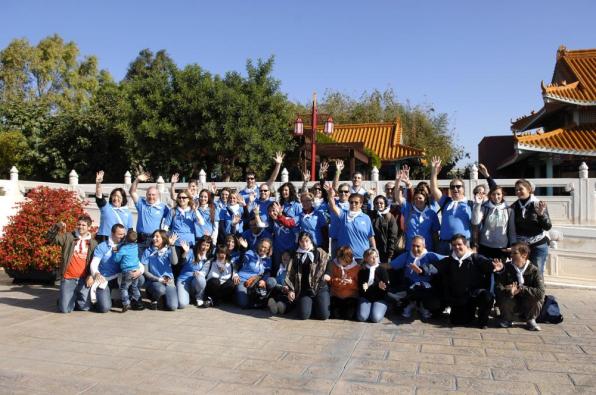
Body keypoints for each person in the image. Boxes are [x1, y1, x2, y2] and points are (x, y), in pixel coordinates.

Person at [438, 234, 503, 328]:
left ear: (466, 245)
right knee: (457, 321)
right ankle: (470, 312)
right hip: (460, 297)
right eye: (454, 245)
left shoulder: (475, 258)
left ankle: (482, 321)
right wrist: (422, 270)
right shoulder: (450, 260)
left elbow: (488, 264)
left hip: (475, 294)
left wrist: (498, 267)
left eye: (459, 244)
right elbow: (436, 266)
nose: (457, 247)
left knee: (487, 297)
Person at [46, 215, 98, 313]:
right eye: (79, 224)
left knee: (85, 307)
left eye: (83, 225)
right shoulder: (69, 237)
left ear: (89, 227)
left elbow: (96, 261)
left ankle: (71, 297)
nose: (80, 227)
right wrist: (57, 226)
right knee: (65, 310)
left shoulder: (93, 243)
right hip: (68, 277)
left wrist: (91, 275)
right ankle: (65, 299)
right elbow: (50, 239)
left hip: (84, 279)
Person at [90, 224, 143, 313]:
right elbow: (94, 263)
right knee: (105, 308)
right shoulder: (102, 246)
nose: (123, 237)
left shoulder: (126, 245)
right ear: (112, 233)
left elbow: (136, 261)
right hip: (106, 278)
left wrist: (140, 270)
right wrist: (96, 273)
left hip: (121, 276)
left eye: (124, 234)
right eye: (120, 234)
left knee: (140, 278)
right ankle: (107, 298)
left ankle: (132, 300)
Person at [390, 236, 445, 319]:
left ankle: (422, 305)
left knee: (433, 302)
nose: (415, 249)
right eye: (413, 246)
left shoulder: (430, 255)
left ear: (424, 246)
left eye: (418, 246)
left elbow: (447, 259)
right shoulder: (407, 255)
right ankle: (411, 303)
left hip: (426, 287)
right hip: (409, 285)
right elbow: (391, 265)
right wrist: (373, 265)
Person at [495, 242, 545, 331]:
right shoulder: (506, 267)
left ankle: (530, 319)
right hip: (512, 301)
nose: (511, 255)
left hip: (527, 302)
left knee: (538, 298)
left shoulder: (534, 270)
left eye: (515, 253)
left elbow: (540, 292)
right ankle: (507, 318)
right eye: (511, 253)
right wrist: (509, 291)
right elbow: (498, 287)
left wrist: (521, 289)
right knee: (504, 295)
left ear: (524, 255)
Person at [430, 157, 473, 255]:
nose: (455, 189)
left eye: (458, 186)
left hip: (463, 244)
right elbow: (433, 189)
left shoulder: (471, 204)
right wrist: (434, 172)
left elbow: (476, 227)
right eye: (453, 187)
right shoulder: (446, 201)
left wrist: (474, 246)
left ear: (463, 189)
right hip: (444, 244)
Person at [285, 232, 331, 320]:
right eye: (302, 241)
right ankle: (307, 305)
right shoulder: (295, 255)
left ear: (311, 241)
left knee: (324, 316)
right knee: (303, 316)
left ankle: (317, 304)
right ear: (298, 242)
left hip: (319, 287)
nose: (304, 244)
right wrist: (291, 290)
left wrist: (327, 274)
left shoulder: (319, 252)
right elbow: (290, 273)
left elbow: (328, 262)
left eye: (307, 241)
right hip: (304, 289)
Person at [326, 185, 376, 262]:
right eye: (351, 202)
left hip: (362, 256)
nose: (353, 204)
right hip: (346, 257)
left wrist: (374, 250)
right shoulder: (343, 214)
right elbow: (333, 206)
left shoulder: (366, 218)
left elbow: (371, 237)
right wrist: (330, 195)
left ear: (361, 204)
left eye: (356, 202)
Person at [395, 168, 440, 253]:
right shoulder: (408, 208)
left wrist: (436, 249)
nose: (418, 200)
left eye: (420, 198)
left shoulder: (432, 213)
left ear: (425, 200)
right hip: (410, 250)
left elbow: (435, 234)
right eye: (415, 198)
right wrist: (397, 181)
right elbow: (398, 197)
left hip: (427, 250)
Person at [512, 179, 552, 273]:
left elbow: (548, 226)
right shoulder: (514, 207)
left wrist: (541, 215)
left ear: (529, 189)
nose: (518, 192)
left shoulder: (538, 204)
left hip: (538, 244)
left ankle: (538, 288)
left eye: (521, 189)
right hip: (521, 246)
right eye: (516, 190)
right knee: (521, 272)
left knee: (537, 272)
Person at [162, 190, 203, 279]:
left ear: (188, 199)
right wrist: (166, 240)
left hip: (189, 244)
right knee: (175, 265)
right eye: (179, 197)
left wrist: (196, 211)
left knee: (188, 264)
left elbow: (201, 223)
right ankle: (177, 285)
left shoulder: (192, 211)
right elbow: (165, 227)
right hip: (175, 243)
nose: (181, 199)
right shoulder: (173, 211)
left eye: (184, 197)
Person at [129, 170, 170, 256]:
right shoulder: (141, 203)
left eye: (153, 195)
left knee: (151, 262)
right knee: (139, 261)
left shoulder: (163, 207)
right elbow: (132, 192)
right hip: (141, 238)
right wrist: (137, 180)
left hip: (154, 239)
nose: (151, 197)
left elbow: (170, 219)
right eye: (149, 194)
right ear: (146, 195)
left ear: (158, 195)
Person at [472, 186, 516, 262]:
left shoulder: (509, 210)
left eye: (498, 194)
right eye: (493, 194)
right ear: (490, 195)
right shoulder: (485, 207)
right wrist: (477, 205)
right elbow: (475, 221)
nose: (496, 197)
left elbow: (511, 230)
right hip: (485, 246)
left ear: (502, 195)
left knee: (499, 271)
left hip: (502, 247)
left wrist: (513, 245)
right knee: (485, 271)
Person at [141, 230, 179, 311]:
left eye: (157, 237)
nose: (154, 238)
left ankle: (163, 298)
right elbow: (145, 271)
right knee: (160, 289)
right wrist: (159, 279)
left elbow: (174, 262)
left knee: (173, 306)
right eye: (154, 236)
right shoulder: (148, 251)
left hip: (169, 282)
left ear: (163, 239)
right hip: (154, 282)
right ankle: (153, 297)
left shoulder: (168, 250)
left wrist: (172, 246)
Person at [234, 238, 273, 308]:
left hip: (255, 282)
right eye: (262, 246)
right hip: (242, 280)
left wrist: (263, 280)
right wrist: (244, 249)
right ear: (259, 245)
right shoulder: (250, 253)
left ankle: (258, 301)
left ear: (268, 250)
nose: (263, 249)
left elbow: (267, 272)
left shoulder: (268, 259)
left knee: (271, 281)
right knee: (243, 303)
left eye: (265, 248)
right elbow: (241, 260)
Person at [94, 171, 133, 242]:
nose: (116, 198)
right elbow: (99, 197)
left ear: (123, 199)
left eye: (118, 196)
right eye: (114, 196)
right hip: (104, 239)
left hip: (120, 241)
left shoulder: (127, 212)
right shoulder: (106, 207)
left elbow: (129, 230)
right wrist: (98, 184)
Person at [176, 236, 213, 308]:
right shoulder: (191, 252)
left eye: (207, 245)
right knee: (182, 304)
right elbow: (181, 262)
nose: (205, 247)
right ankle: (189, 296)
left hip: (196, 281)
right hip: (184, 280)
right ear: (199, 244)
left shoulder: (209, 256)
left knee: (200, 278)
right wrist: (185, 252)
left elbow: (205, 271)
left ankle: (199, 298)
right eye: (203, 245)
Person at [113, 230, 143, 312]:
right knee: (134, 286)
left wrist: (115, 251)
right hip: (136, 270)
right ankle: (137, 297)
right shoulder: (136, 246)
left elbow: (116, 259)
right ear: (136, 240)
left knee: (124, 288)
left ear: (125, 239)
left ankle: (126, 302)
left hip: (127, 272)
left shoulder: (124, 248)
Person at [356, 248, 390, 323]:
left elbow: (387, 287)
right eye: (372, 257)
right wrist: (363, 287)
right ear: (366, 259)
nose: (375, 259)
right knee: (362, 317)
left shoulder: (382, 270)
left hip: (379, 298)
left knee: (375, 318)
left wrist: (383, 287)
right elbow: (360, 288)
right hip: (366, 298)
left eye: (376, 256)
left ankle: (382, 308)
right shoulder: (362, 271)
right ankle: (368, 309)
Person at [329, 245, 360, 320]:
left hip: (350, 296)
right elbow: (330, 280)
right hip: (336, 295)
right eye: (339, 258)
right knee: (335, 315)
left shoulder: (357, 268)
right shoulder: (333, 265)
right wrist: (338, 281)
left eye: (342, 259)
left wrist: (351, 282)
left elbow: (360, 285)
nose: (340, 261)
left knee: (348, 316)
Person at [368, 195, 399, 263]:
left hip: (384, 251)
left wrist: (390, 252)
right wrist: (367, 196)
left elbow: (393, 236)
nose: (379, 205)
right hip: (371, 249)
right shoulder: (371, 215)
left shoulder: (390, 216)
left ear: (385, 204)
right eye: (376, 203)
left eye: (381, 203)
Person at [267, 250, 292, 315]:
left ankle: (282, 307)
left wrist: (289, 288)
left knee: (288, 300)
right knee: (276, 293)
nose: (285, 257)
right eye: (283, 255)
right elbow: (276, 281)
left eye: (287, 256)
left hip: (289, 291)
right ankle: (274, 305)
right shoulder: (279, 269)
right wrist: (280, 287)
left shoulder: (292, 269)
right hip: (280, 289)